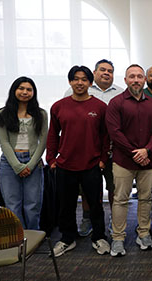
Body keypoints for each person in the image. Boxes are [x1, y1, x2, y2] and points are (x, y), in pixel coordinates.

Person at [47, 65, 110, 257]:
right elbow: (53, 135)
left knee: (96, 204)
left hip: (91, 164)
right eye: (76, 79)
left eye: (84, 79)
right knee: (66, 205)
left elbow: (106, 136)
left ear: (90, 83)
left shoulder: (100, 107)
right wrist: (51, 158)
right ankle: (67, 239)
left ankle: (99, 237)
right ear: (70, 81)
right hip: (65, 164)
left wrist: (102, 159)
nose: (79, 82)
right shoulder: (59, 106)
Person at [106, 64, 152, 256]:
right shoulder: (116, 103)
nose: (136, 80)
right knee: (120, 200)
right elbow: (114, 132)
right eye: (132, 76)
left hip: (148, 161)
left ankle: (144, 233)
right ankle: (118, 238)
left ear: (145, 80)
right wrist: (135, 152)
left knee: (146, 198)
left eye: (140, 76)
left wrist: (146, 150)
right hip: (123, 161)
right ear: (125, 80)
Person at [64, 59, 123, 237]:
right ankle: (87, 219)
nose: (106, 73)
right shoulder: (78, 90)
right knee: (88, 190)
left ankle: (115, 220)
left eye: (110, 71)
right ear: (94, 73)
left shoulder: (121, 93)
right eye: (102, 70)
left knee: (114, 188)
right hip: (88, 152)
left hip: (115, 151)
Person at [0, 77, 47, 230]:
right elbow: (4, 142)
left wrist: (30, 165)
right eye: (21, 88)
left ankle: (33, 239)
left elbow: (43, 142)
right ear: (14, 90)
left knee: (32, 206)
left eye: (29, 89)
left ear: (33, 92)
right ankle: (20, 239)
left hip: (33, 161)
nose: (25, 92)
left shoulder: (41, 114)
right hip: (9, 163)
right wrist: (17, 166)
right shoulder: (3, 113)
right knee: (13, 205)